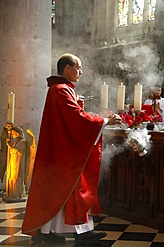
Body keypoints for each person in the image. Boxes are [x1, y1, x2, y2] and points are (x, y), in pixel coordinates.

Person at [21, 53, 122, 244]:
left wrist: (90, 113)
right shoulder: (60, 89)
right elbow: (77, 119)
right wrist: (106, 120)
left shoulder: (62, 89)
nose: (81, 72)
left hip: (61, 149)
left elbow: (74, 117)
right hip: (61, 153)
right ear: (67, 68)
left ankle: (67, 232)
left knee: (62, 192)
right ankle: (74, 234)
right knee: (69, 189)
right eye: (78, 67)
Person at [5, 126, 27, 200]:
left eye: (14, 133)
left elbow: (18, 151)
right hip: (13, 162)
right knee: (11, 176)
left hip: (18, 163)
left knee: (17, 177)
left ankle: (17, 194)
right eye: (12, 133)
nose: (13, 135)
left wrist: (8, 145)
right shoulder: (15, 142)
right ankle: (12, 193)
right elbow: (12, 151)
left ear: (18, 133)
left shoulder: (23, 142)